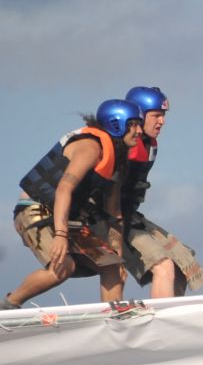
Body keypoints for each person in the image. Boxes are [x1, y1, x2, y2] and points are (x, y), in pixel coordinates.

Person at [6, 100, 140, 309]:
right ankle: (8, 305)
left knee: (112, 266)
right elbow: (63, 189)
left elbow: (114, 215)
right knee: (63, 266)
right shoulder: (90, 147)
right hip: (34, 209)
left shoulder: (116, 160)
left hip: (66, 216)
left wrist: (117, 254)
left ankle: (114, 317)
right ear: (117, 123)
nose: (139, 131)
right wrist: (60, 235)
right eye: (134, 124)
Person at [118, 85, 203, 297]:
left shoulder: (148, 145)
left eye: (163, 115)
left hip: (130, 215)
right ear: (139, 115)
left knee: (183, 260)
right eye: (157, 115)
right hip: (110, 218)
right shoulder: (123, 147)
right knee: (164, 265)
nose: (162, 121)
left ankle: (171, 317)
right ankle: (159, 322)